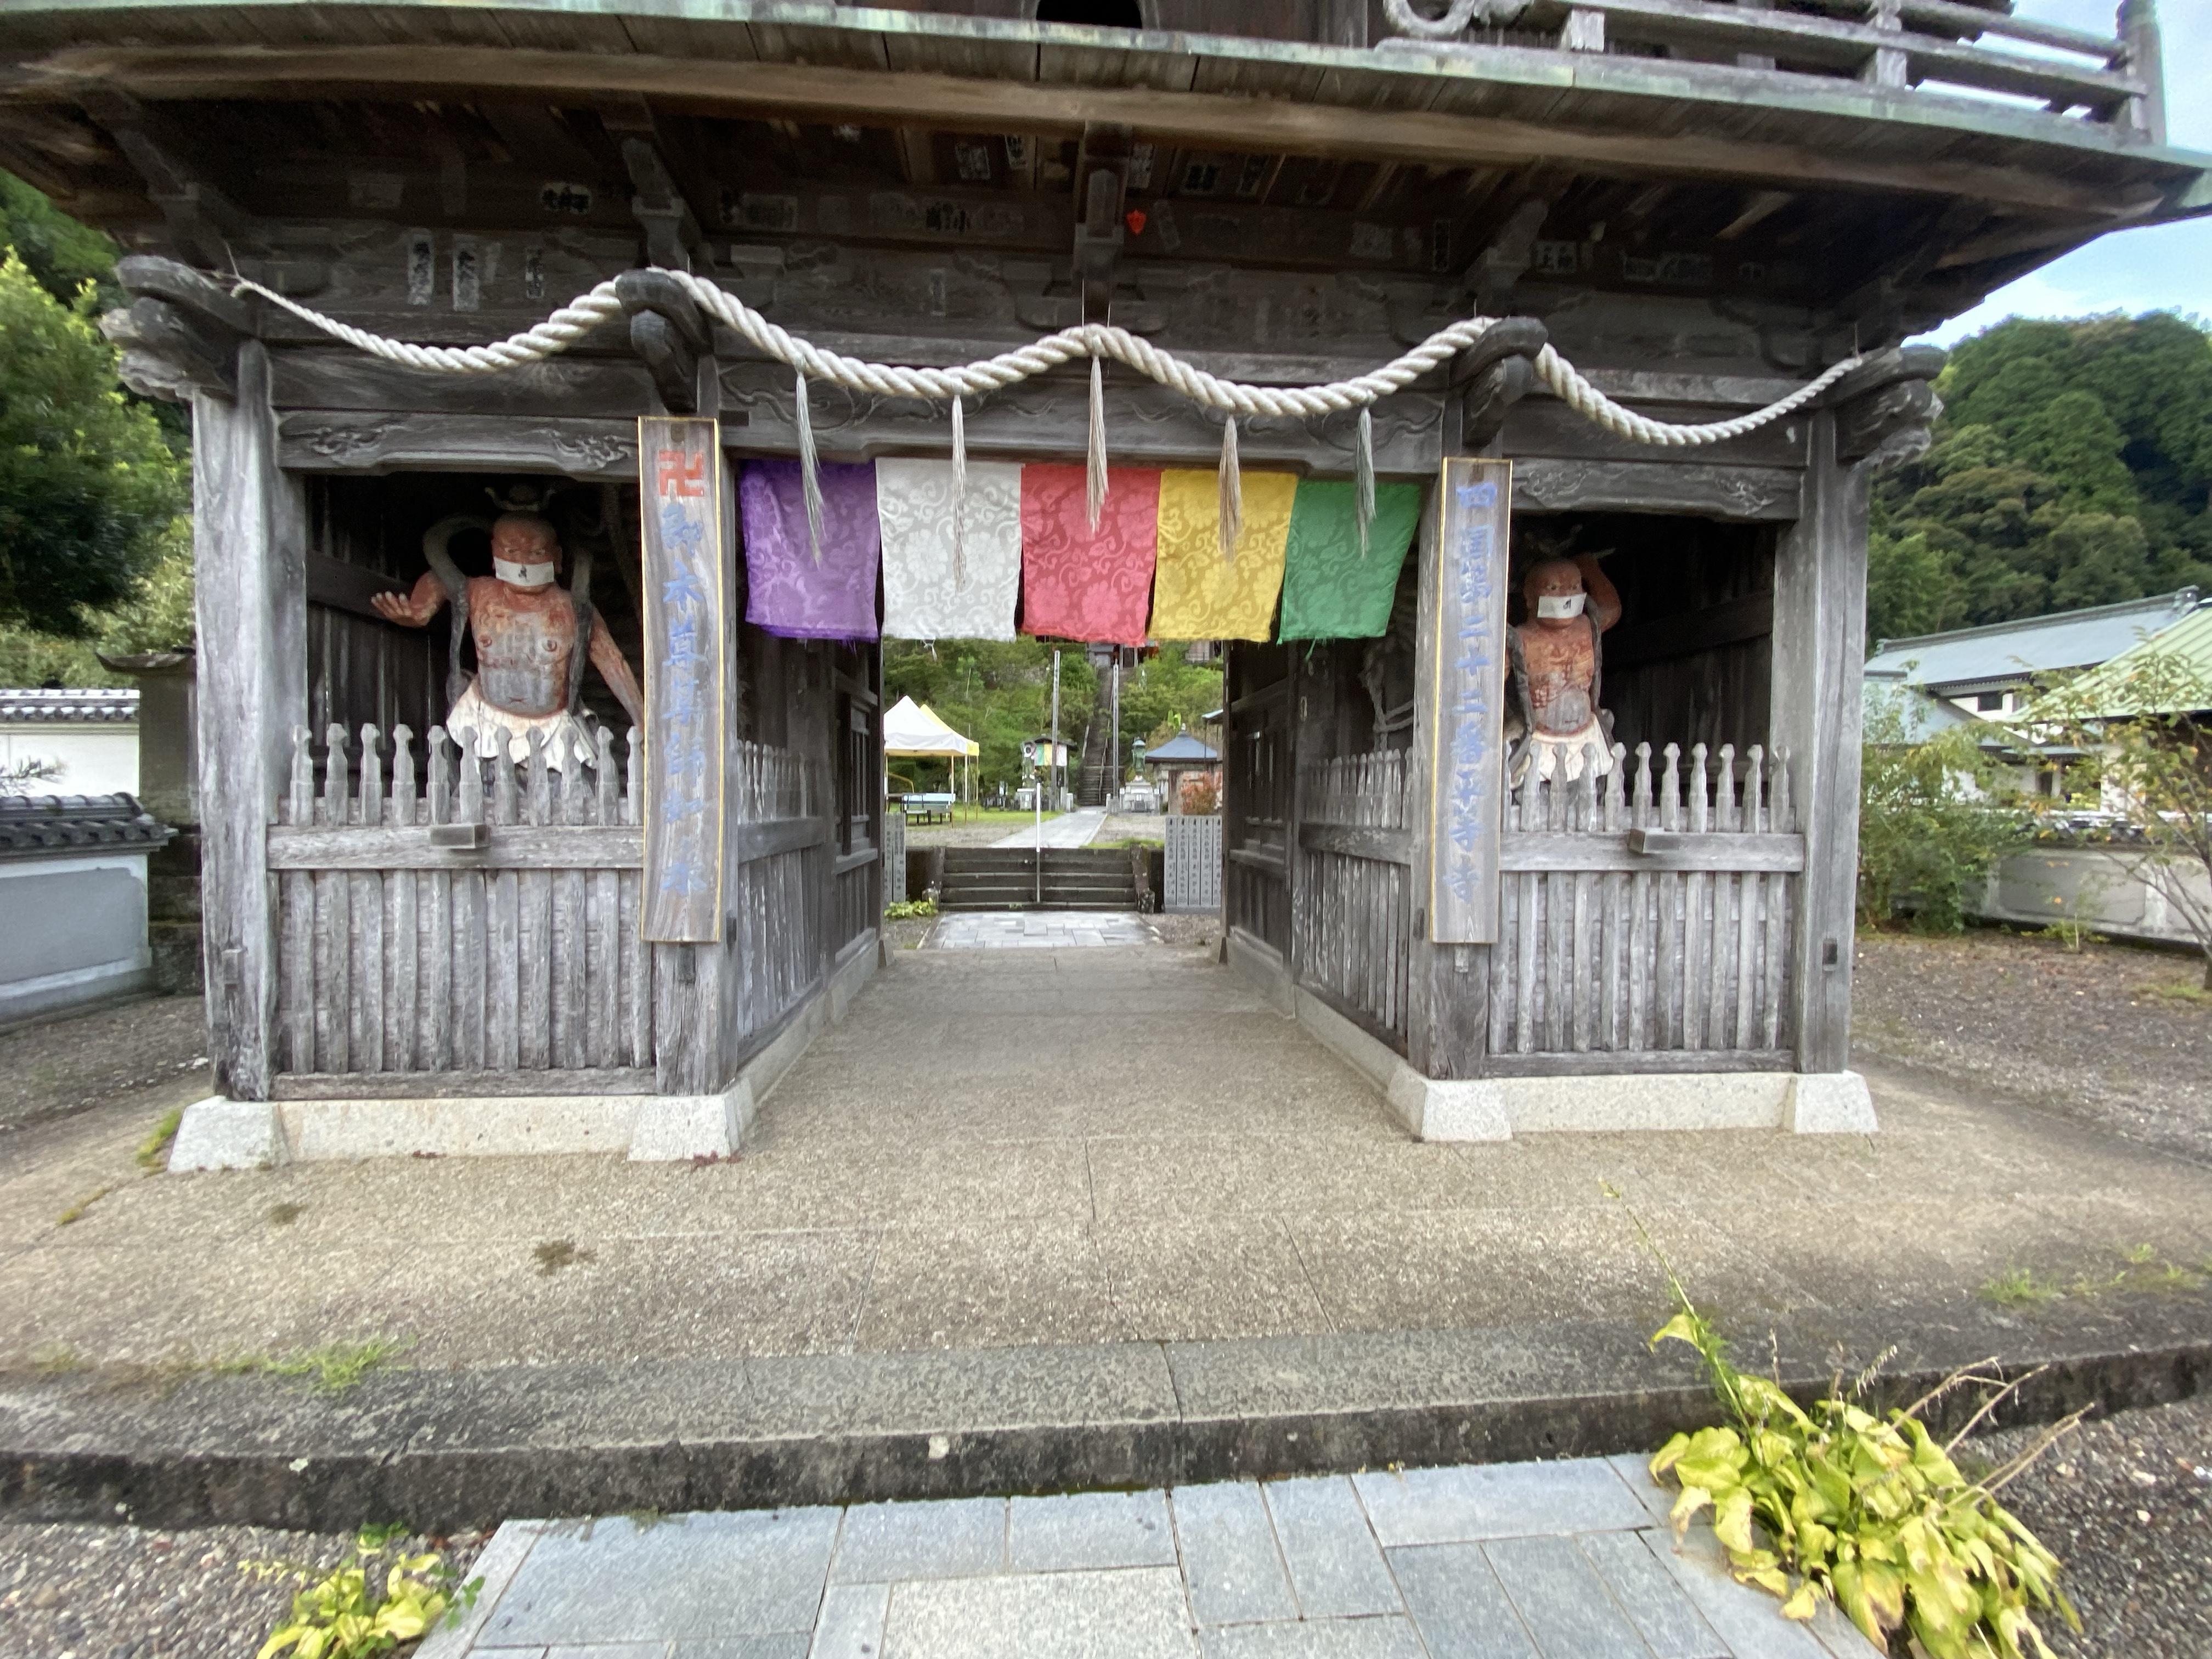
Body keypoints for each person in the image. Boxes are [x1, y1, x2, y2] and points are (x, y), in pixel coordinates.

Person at [372, 511, 643, 768]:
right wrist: (419, 611)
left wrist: (641, 718)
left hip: (554, 730)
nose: (523, 563)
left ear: (557, 558)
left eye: (536, 553)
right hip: (484, 723)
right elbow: (440, 580)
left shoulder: (574, 609)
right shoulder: (479, 594)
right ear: (494, 555)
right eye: (511, 552)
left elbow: (613, 662)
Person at [1504, 551, 1621, 785]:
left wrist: (1590, 569)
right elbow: (1492, 682)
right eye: (1554, 589)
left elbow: (1611, 609)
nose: (1566, 596)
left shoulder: (1587, 627)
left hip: (1587, 735)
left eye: (1574, 587)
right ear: (1529, 598)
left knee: (1591, 793)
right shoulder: (1522, 639)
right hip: (1540, 739)